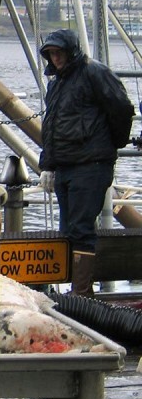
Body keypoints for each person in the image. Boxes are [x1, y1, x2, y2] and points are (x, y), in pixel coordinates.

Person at [38, 28, 135, 298]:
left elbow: (122, 109)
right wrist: (47, 165)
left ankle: (81, 292)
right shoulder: (56, 83)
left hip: (91, 165)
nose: (55, 58)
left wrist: (110, 144)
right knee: (69, 229)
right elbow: (51, 127)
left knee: (81, 228)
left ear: (71, 51)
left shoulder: (94, 72)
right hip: (66, 166)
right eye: (51, 54)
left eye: (59, 52)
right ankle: (77, 290)